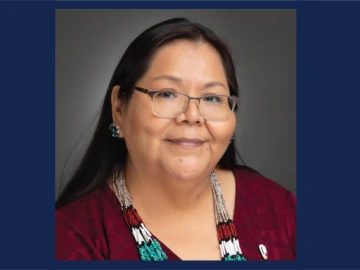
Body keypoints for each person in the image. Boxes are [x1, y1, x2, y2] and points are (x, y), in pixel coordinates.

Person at [55, 17, 296, 261]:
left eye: (212, 98)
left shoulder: (281, 210)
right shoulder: (72, 237)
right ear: (119, 107)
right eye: (167, 94)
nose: (192, 116)